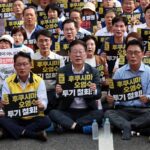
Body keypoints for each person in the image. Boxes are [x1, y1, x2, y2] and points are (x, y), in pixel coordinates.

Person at [49, 40, 103, 133]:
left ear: (86, 54)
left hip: (87, 110)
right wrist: (58, 93)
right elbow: (58, 95)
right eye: (74, 52)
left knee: (100, 114)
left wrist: (94, 90)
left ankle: (68, 126)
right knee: (53, 113)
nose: (78, 55)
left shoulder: (93, 71)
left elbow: (98, 94)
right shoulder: (62, 71)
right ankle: (80, 128)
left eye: (81, 52)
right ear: (69, 54)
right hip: (68, 110)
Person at [0, 51, 51, 141]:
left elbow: (44, 102)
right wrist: (2, 106)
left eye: (25, 64)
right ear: (14, 66)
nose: (22, 67)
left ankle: (8, 132)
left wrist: (41, 105)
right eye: (19, 65)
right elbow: (5, 104)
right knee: (1, 119)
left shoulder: (39, 80)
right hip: (15, 117)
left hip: (34, 117)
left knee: (46, 121)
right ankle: (33, 134)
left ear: (30, 65)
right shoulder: (8, 81)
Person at [105, 40, 150, 140]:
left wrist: (147, 98)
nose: (133, 56)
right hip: (123, 110)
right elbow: (112, 95)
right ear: (126, 54)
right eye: (130, 53)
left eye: (136, 52)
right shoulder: (119, 73)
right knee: (108, 114)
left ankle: (127, 126)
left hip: (143, 110)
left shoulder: (149, 72)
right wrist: (110, 99)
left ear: (142, 54)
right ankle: (136, 128)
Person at [32, 29, 65, 113]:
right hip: (36, 93)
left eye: (46, 40)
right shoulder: (31, 59)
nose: (44, 44)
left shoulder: (59, 59)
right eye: (41, 41)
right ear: (36, 43)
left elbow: (61, 79)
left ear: (51, 42)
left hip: (52, 92)